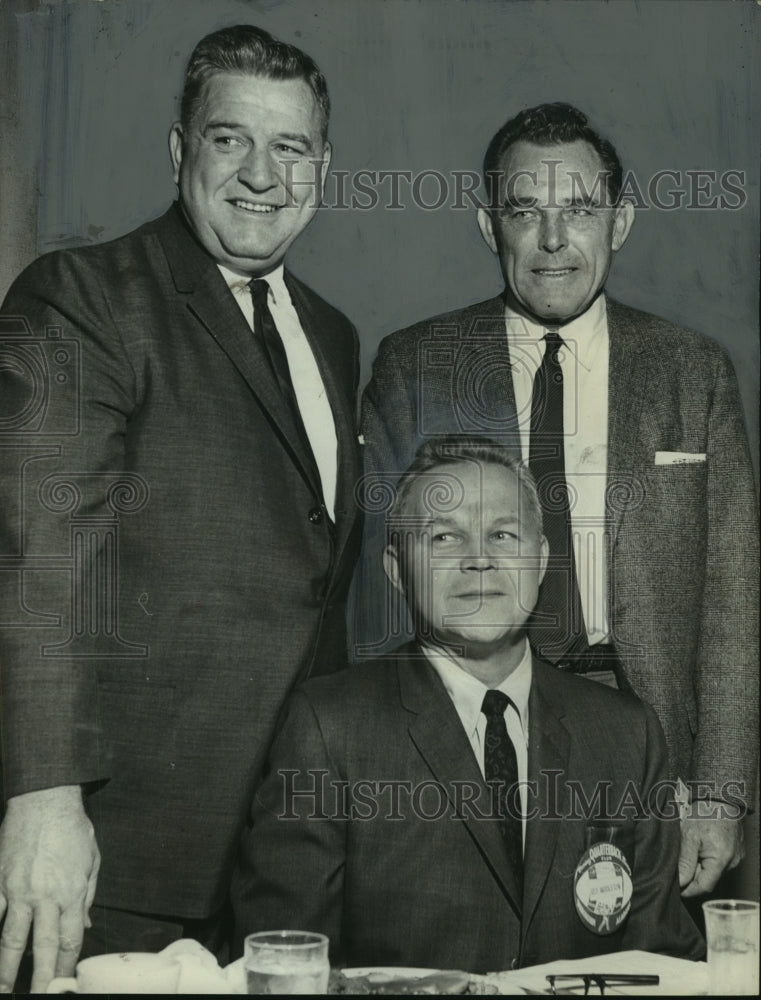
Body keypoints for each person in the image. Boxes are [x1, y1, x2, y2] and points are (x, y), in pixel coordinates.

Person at [0, 24, 361, 992]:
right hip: (116, 861)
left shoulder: (332, 333)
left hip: (290, 867)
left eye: (289, 147)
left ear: (321, 168)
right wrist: (41, 795)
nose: (260, 173)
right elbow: (40, 563)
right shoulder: (82, 298)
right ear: (178, 151)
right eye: (228, 139)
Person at [358, 104, 758, 904]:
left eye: (577, 209)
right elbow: (377, 595)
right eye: (523, 211)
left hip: (647, 741)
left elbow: (732, 594)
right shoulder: (415, 365)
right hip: (468, 727)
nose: (551, 240)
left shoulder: (691, 371)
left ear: (619, 219)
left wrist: (719, 788)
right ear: (486, 224)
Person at [234, 438, 703, 970]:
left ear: (542, 559)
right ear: (395, 569)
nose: (479, 559)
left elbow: (662, 964)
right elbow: (284, 962)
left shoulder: (627, 733)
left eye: (502, 534)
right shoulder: (329, 726)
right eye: (443, 537)